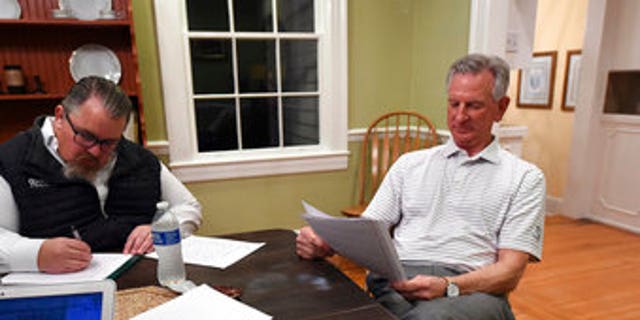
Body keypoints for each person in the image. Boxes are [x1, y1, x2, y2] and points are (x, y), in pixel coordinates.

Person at [296, 54, 546, 320]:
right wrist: (325, 242)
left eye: (473, 106)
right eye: (453, 104)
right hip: (399, 279)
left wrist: (449, 287)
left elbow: (510, 272)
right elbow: (367, 230)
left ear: (501, 107)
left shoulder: (524, 178)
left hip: (471, 289)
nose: (459, 117)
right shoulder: (410, 165)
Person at [0, 76, 202, 274]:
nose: (96, 152)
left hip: (144, 277)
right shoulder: (12, 160)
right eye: (86, 137)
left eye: (109, 143)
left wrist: (160, 230)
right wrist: (37, 254)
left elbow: (188, 207)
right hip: (62, 289)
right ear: (60, 116)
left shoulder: (139, 158)